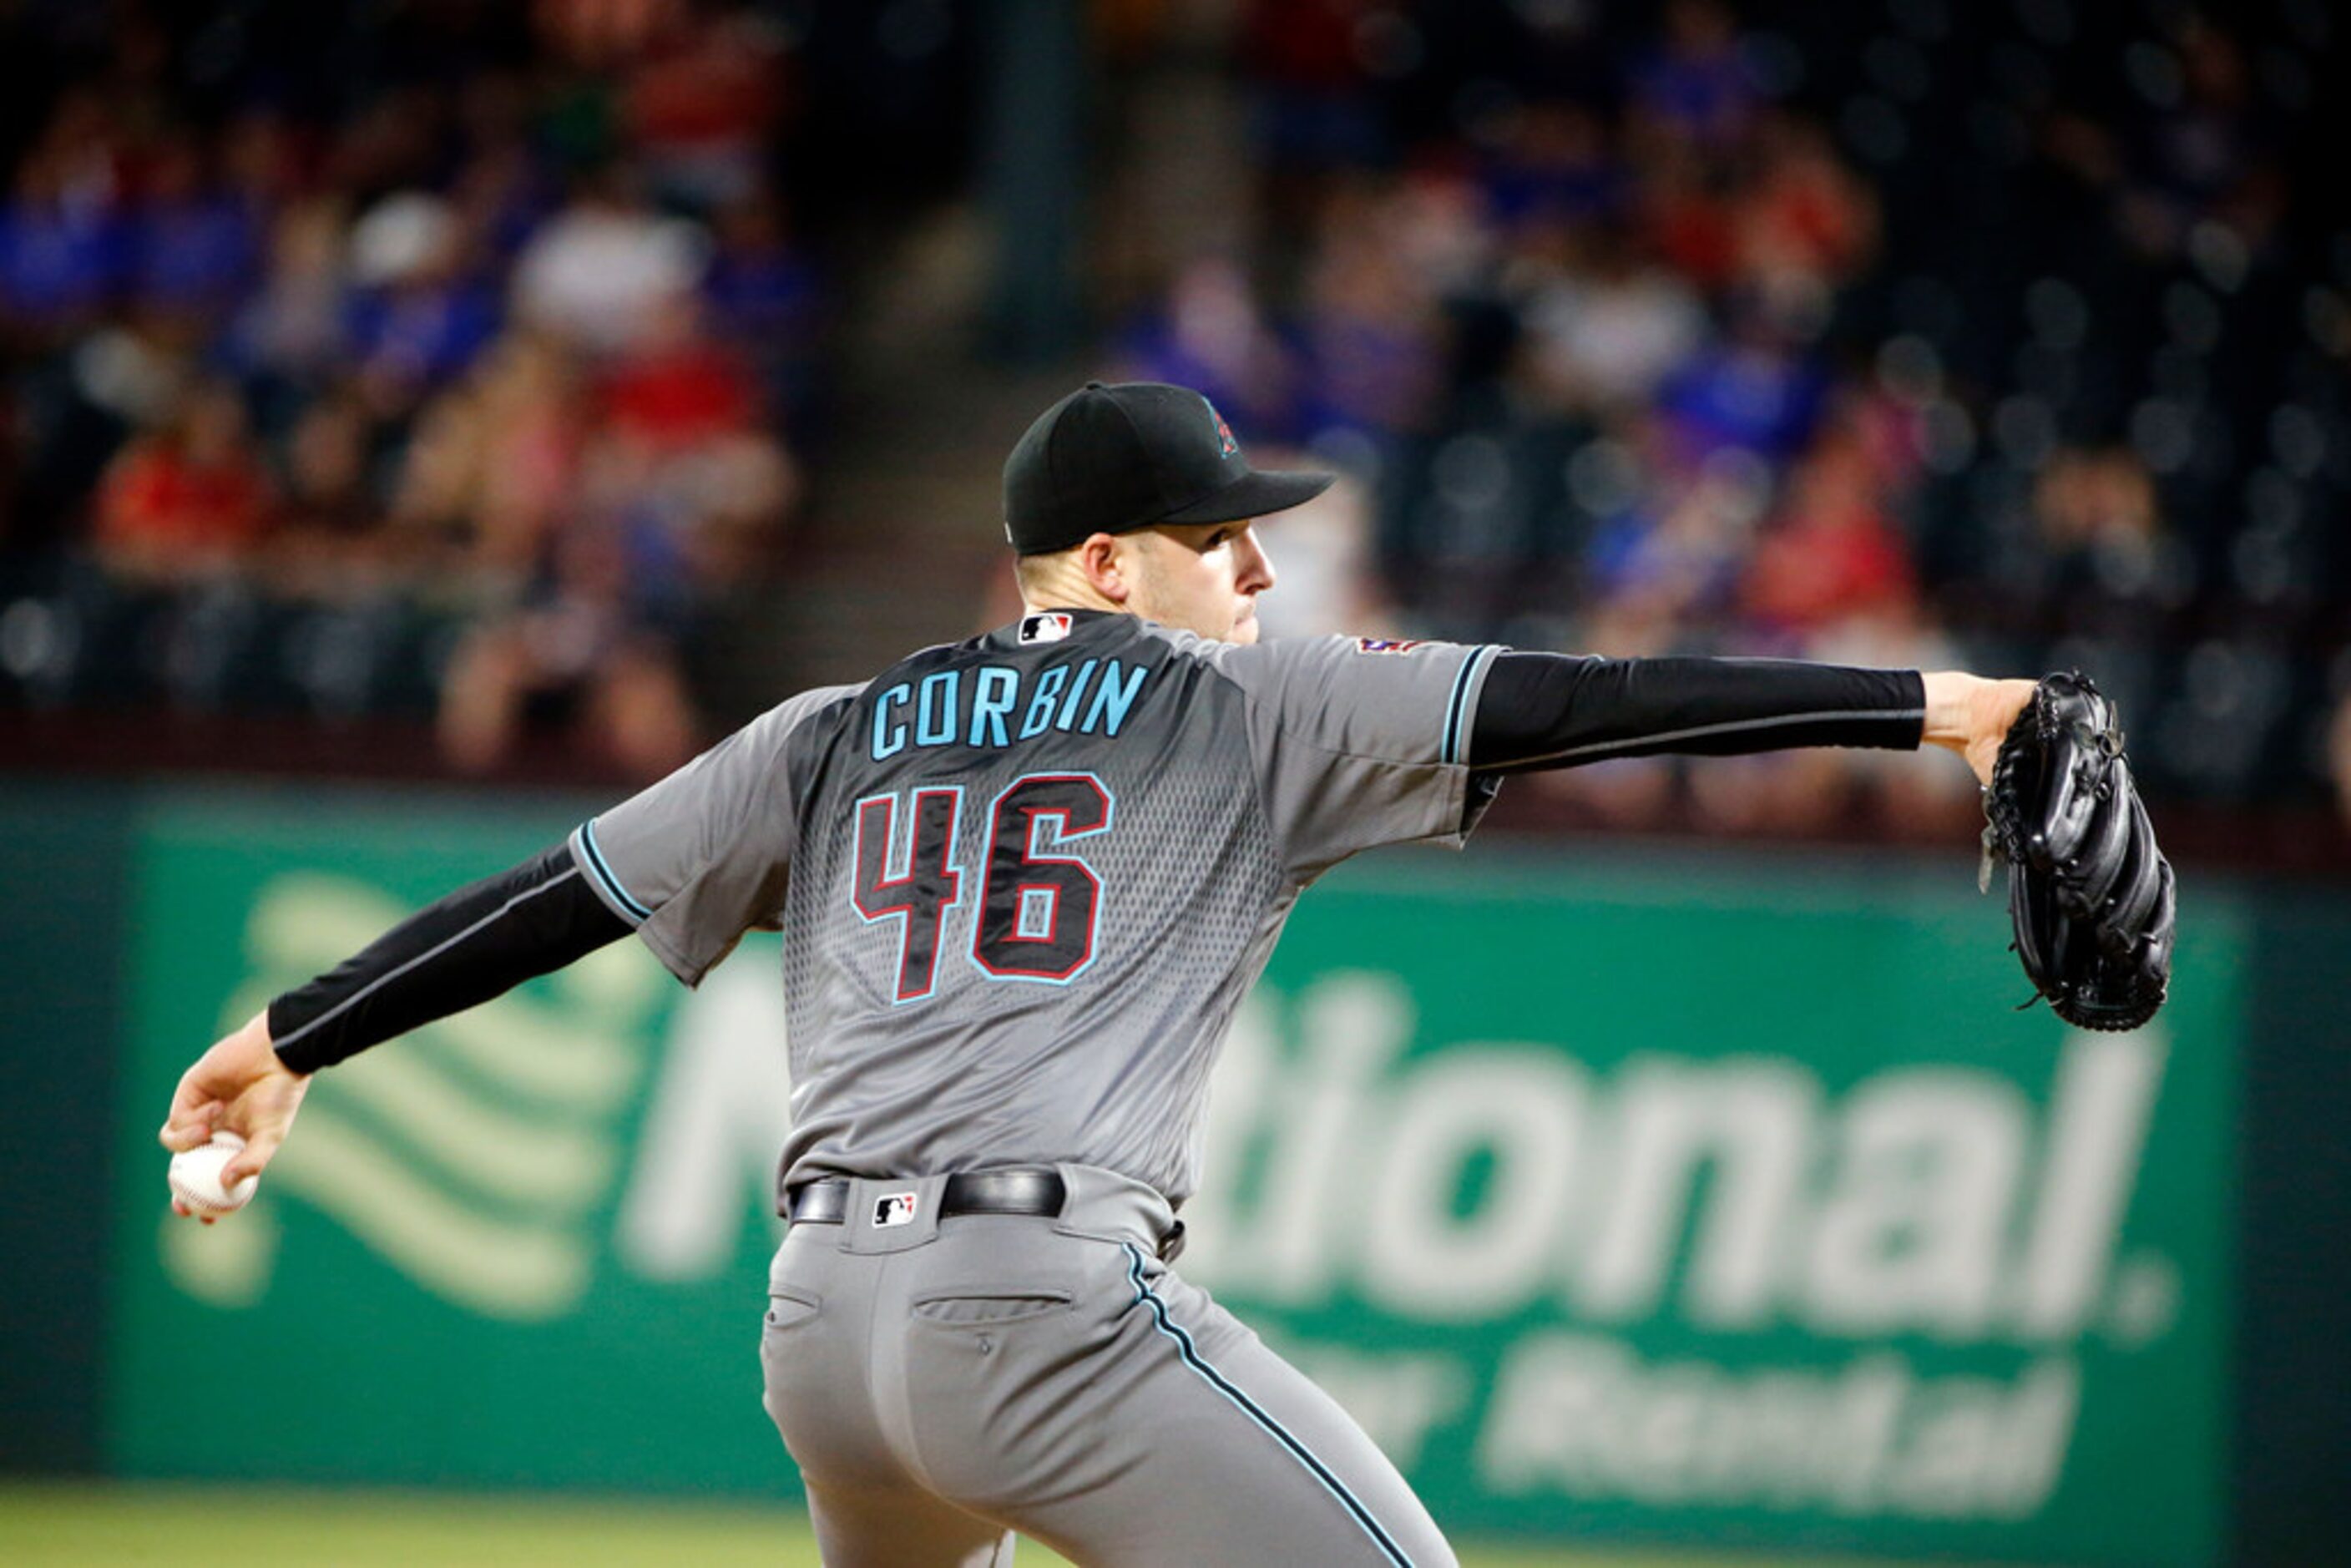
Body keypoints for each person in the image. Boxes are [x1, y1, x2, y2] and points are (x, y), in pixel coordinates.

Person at [160, 381, 2035, 1567]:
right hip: (1035, 1308)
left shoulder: (835, 724)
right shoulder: (1250, 699)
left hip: (820, 1335)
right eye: (1225, 539)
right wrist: (1938, 708)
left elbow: (552, 898)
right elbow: (1591, 706)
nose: (1259, 573)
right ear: (1111, 567)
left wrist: (290, 1037)